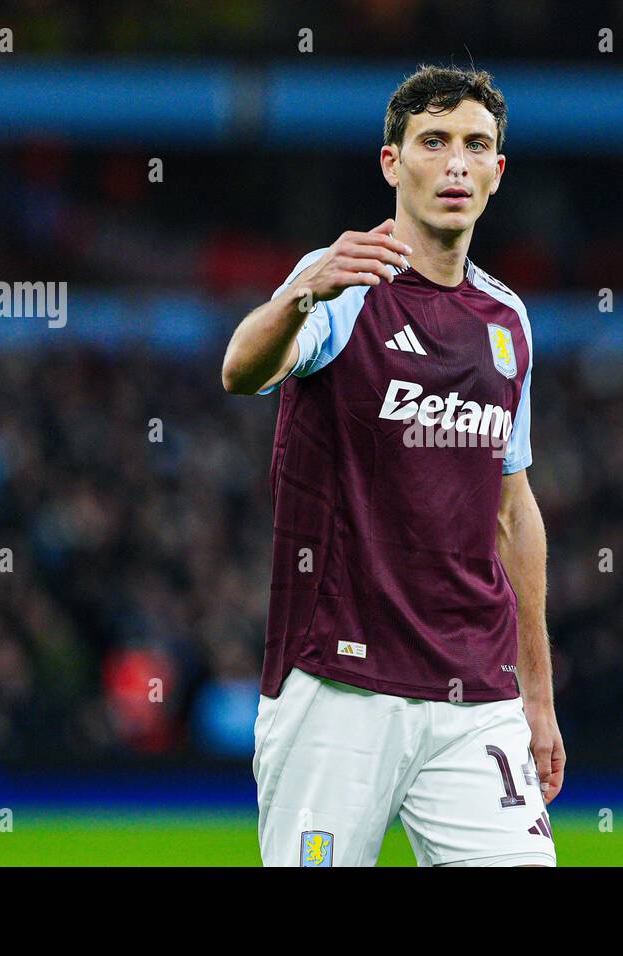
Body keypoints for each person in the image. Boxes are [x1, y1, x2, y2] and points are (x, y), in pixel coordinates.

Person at [222, 64, 563, 867]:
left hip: (474, 692)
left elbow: (513, 512)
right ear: (391, 162)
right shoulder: (345, 283)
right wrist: (303, 292)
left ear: (497, 173)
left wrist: (537, 695)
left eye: (475, 146)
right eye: (433, 141)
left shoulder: (507, 319)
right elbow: (240, 369)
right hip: (338, 689)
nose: (455, 164)